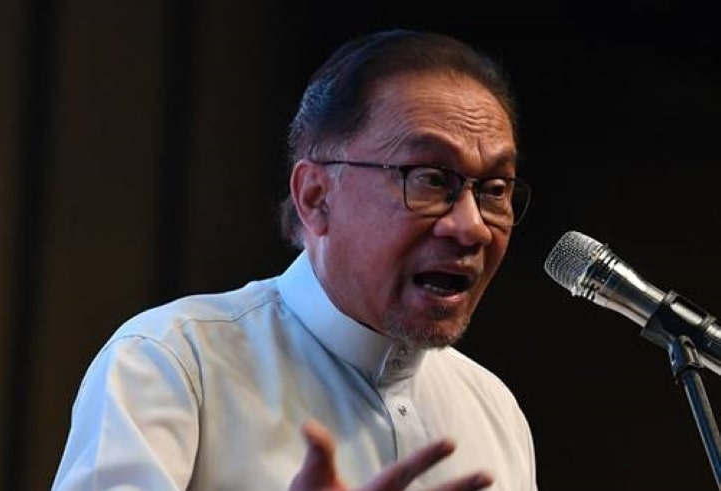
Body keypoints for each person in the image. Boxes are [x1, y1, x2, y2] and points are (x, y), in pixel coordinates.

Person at [51, 28, 537, 491]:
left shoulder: (493, 410)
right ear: (316, 196)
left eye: (495, 189)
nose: (472, 227)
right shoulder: (172, 361)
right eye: (430, 179)